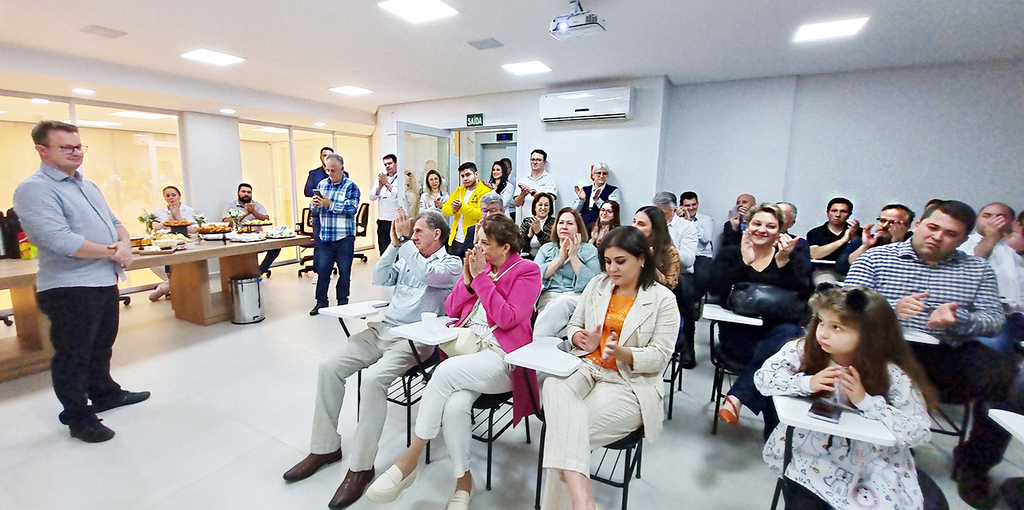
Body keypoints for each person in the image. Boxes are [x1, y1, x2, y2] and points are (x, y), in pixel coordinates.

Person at [282, 209, 461, 509]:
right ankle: (325, 448)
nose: (413, 236)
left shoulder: (451, 263)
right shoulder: (406, 253)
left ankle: (361, 468)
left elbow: (426, 274)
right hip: (382, 330)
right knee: (329, 368)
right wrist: (394, 244)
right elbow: (380, 277)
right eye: (412, 232)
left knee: (374, 382)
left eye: (418, 232)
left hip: (414, 339)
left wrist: (404, 242)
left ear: (437, 234)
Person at [844, 200, 1015, 509]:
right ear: (918, 225)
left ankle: (974, 466)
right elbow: (845, 306)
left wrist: (959, 319)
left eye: (950, 234)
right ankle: (881, 447)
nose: (937, 237)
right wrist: (890, 311)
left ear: (964, 240)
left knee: (1004, 375)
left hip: (949, 350)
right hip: (888, 350)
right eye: (932, 227)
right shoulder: (878, 258)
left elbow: (994, 321)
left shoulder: (976, 269)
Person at [365, 214, 541, 510]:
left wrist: (483, 280)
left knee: (443, 372)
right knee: (456, 405)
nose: (478, 249)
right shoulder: (476, 267)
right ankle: (464, 481)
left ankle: (410, 460)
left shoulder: (527, 271)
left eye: (486, 244)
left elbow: (508, 318)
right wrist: (469, 282)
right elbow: (451, 308)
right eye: (477, 242)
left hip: (503, 359)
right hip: (469, 355)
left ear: (505, 248)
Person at [13, 120, 150, 443]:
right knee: (73, 353)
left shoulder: (86, 185)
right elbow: (60, 240)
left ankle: (105, 392)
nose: (76, 153)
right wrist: (113, 252)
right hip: (69, 286)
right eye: (67, 147)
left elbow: (116, 222)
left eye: (78, 147)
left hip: (103, 279)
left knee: (102, 344)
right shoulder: (34, 189)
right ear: (42, 150)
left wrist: (124, 245)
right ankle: (77, 416)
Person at [755, 285, 935, 510]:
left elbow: (919, 431)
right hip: (812, 450)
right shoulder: (803, 350)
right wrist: (806, 383)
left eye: (837, 327)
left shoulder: (891, 373)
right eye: (820, 321)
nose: (823, 332)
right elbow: (763, 379)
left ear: (870, 334)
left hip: (870, 459)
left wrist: (866, 402)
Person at [539, 226, 678, 510]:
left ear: (642, 258)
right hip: (589, 366)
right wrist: (579, 337)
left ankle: (579, 503)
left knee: (565, 432)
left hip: (628, 382)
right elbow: (575, 325)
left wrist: (624, 353)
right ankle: (584, 501)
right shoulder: (598, 286)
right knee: (553, 385)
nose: (612, 268)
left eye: (620, 261)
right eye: (607, 261)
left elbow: (659, 357)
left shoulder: (663, 300)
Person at [711, 203, 812, 440]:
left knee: (785, 341)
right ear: (747, 224)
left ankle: (737, 397)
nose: (762, 230)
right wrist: (743, 263)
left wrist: (784, 262)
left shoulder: (792, 256)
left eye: (770, 226)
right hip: (738, 335)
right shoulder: (731, 253)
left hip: (778, 334)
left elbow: (805, 293)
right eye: (757, 223)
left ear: (780, 230)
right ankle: (775, 437)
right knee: (778, 366)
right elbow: (714, 289)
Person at [533, 207, 601, 339]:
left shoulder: (589, 250)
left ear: (578, 228)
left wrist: (574, 257)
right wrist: (560, 259)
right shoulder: (546, 249)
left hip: (577, 298)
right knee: (555, 313)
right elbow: (534, 276)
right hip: (549, 297)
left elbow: (594, 282)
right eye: (561, 222)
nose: (564, 226)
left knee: (563, 302)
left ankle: (536, 343)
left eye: (570, 223)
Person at [309, 153, 361, 315]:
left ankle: (343, 302)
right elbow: (315, 211)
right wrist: (315, 205)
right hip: (326, 237)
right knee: (323, 270)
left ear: (342, 169)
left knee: (344, 271)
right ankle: (321, 302)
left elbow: (351, 209)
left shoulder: (351, 187)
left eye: (333, 170)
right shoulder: (322, 185)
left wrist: (329, 204)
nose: (330, 174)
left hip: (344, 237)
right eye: (327, 170)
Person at [148, 185, 198, 301]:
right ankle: (169, 283)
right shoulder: (160, 212)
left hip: (185, 244)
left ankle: (164, 287)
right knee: (153, 260)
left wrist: (179, 217)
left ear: (179, 196)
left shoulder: (189, 211)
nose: (171, 198)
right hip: (165, 244)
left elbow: (194, 229)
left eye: (173, 195)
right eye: (167, 195)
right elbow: (155, 227)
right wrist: (169, 219)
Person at [836, 203, 915, 276]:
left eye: (893, 222)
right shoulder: (863, 241)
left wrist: (897, 241)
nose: (884, 225)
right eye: (882, 220)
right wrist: (865, 246)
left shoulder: (914, 244)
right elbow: (842, 268)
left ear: (907, 226)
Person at [223, 183, 279, 276]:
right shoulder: (231, 206)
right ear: (238, 193)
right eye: (243, 191)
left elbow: (265, 218)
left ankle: (261, 270)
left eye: (249, 192)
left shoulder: (257, 205)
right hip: (239, 239)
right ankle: (245, 272)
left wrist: (253, 211)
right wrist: (245, 213)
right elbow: (227, 221)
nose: (246, 194)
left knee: (276, 246)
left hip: (257, 237)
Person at [442, 162, 492, 255]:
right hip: (455, 238)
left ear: (476, 174)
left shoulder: (486, 192)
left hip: (473, 238)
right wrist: (454, 210)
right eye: (462, 176)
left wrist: (462, 207)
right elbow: (445, 208)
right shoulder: (459, 190)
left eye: (468, 175)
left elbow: (481, 214)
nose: (465, 178)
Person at [304, 147, 333, 285]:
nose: (326, 157)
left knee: (334, 243)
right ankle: (318, 271)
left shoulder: (343, 173)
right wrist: (320, 192)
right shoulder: (314, 173)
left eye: (329, 155)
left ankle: (332, 267)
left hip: (334, 212)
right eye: (324, 155)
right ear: (320, 157)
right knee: (319, 242)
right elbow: (307, 191)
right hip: (318, 212)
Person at [631, 206, 680, 290]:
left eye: (641, 224)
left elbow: (670, 285)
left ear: (654, 229)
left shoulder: (670, 251)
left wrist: (648, 263)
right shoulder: (626, 246)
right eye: (634, 221)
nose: (634, 227)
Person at [679, 191, 715, 294]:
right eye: (687, 205)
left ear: (697, 204)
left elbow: (706, 239)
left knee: (702, 278)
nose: (691, 208)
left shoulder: (706, 219)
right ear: (681, 206)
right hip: (684, 255)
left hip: (702, 256)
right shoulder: (677, 221)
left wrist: (689, 222)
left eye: (694, 204)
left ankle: (693, 304)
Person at [452, 192, 504, 258]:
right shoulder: (472, 230)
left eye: (493, 211)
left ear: (502, 212)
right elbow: (460, 256)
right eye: (484, 211)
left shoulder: (509, 232)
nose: (488, 215)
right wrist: (476, 242)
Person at [807, 197, 857, 261]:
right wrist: (843, 240)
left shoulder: (857, 232)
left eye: (843, 211)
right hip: (822, 268)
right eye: (834, 211)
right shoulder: (815, 232)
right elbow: (814, 254)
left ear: (849, 214)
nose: (838, 215)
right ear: (827, 212)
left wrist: (856, 237)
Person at [572, 162, 620, 228]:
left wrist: (597, 200)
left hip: (601, 226)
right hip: (583, 224)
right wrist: (581, 200)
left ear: (607, 176)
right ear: (593, 175)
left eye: (604, 173)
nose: (601, 176)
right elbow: (574, 211)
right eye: (598, 173)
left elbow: (613, 210)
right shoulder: (585, 189)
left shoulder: (613, 190)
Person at [369, 154, 400, 255]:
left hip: (395, 221)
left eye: (390, 163)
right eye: (385, 164)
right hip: (383, 220)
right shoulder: (382, 179)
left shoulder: (401, 178)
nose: (388, 166)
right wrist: (380, 186)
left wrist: (387, 184)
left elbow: (399, 195)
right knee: (383, 250)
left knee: (396, 250)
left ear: (396, 163)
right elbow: (372, 196)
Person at [514, 149, 558, 218]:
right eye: (533, 160)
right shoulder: (523, 180)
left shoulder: (549, 179)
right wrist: (522, 194)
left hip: (544, 222)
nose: (535, 162)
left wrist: (532, 192)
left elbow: (550, 198)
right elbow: (517, 203)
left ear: (544, 162)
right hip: (526, 220)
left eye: (538, 160)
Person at [520, 192, 556, 259]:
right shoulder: (527, 221)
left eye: (546, 205)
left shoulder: (555, 223)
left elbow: (551, 247)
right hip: (528, 258)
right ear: (534, 207)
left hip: (547, 259)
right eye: (540, 205)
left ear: (550, 208)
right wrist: (529, 236)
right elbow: (519, 246)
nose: (543, 208)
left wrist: (539, 232)